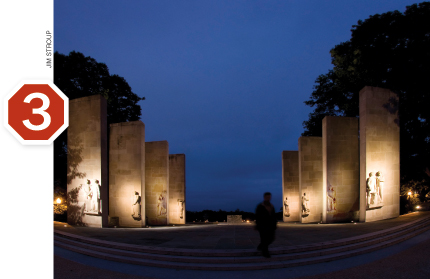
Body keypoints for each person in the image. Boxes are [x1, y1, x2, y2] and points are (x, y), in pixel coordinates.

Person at [255, 192, 277, 258]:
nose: (269, 198)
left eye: (269, 197)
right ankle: (265, 253)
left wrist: (274, 224)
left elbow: (274, 216)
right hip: (263, 226)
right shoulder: (260, 206)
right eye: (267, 197)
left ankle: (260, 246)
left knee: (271, 238)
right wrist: (258, 225)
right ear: (264, 197)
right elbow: (257, 216)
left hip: (271, 226)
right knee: (264, 239)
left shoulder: (272, 206)